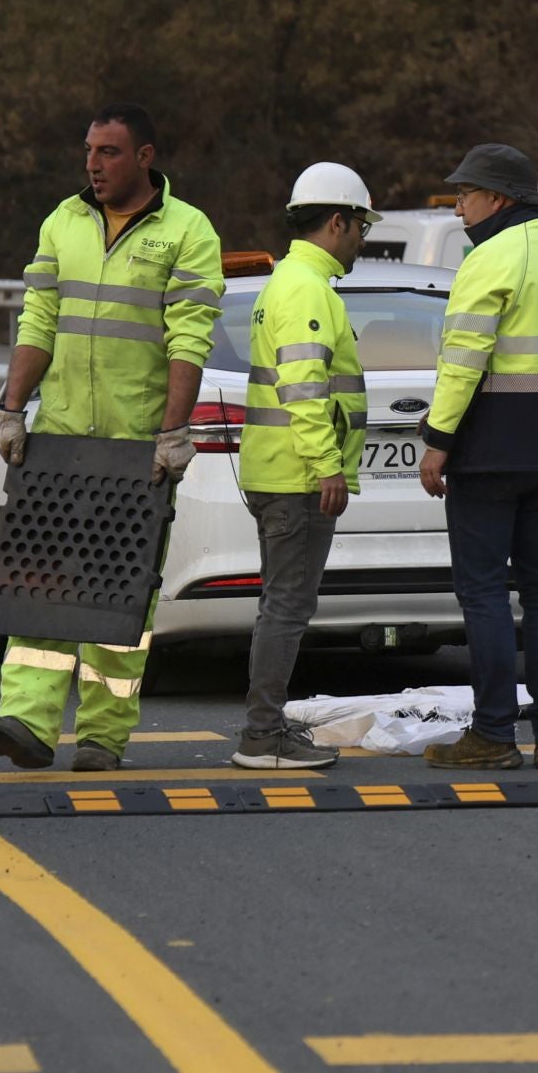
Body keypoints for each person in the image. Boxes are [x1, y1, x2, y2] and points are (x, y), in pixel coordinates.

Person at [0, 103, 224, 772]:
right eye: (89, 150)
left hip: (135, 448)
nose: (93, 163)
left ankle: (104, 738)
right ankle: (26, 721)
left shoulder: (187, 232)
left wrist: (172, 434)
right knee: (39, 582)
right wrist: (12, 409)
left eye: (109, 152)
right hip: (58, 440)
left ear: (145, 157)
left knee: (118, 597)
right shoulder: (63, 222)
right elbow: (38, 321)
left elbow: (188, 339)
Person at [417, 143, 538, 771]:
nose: (459, 208)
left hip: (492, 449)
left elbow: (464, 358)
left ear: (496, 199)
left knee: (486, 592)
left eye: (466, 195)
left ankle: (494, 734)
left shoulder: (490, 257)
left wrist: (438, 440)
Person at [230, 163, 378, 770]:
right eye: (361, 227)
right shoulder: (306, 290)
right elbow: (304, 388)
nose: (363, 240)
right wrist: (327, 467)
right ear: (337, 221)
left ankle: (266, 729)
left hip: (280, 473)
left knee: (280, 605)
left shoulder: (291, 282)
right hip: (295, 478)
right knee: (287, 609)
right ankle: (263, 735)